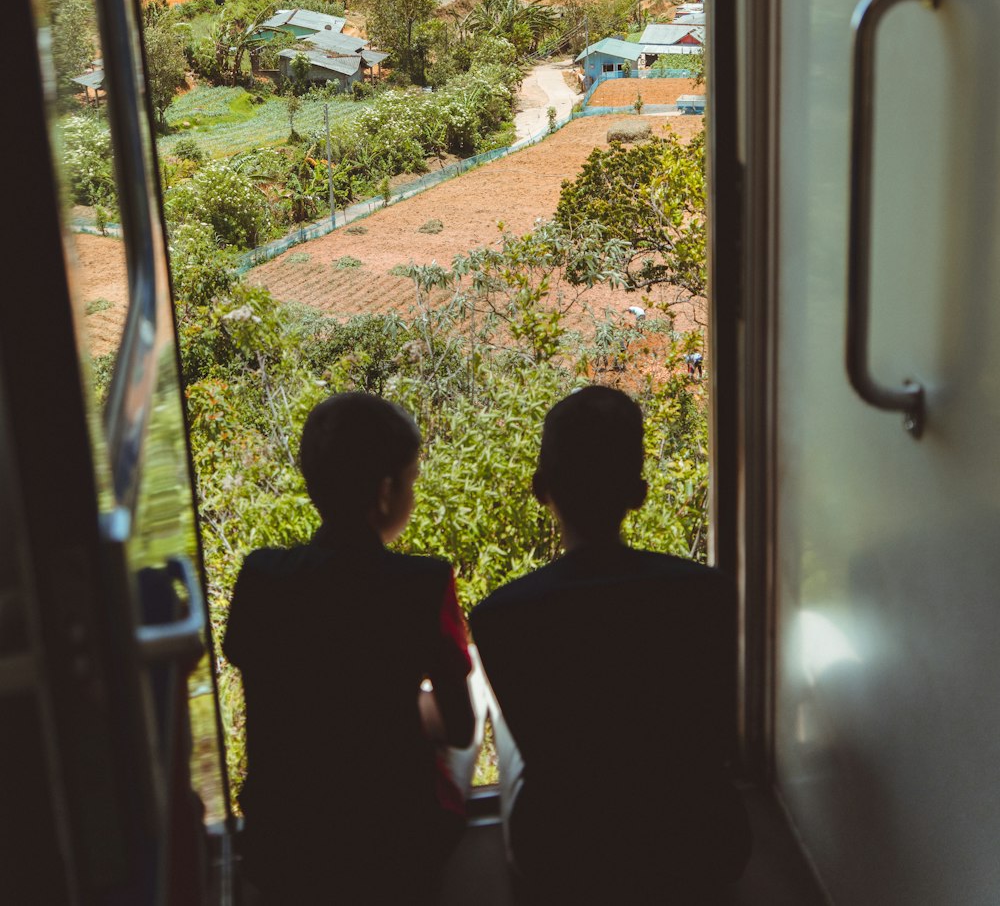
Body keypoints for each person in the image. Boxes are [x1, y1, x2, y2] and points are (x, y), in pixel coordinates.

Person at [471, 386, 751, 906]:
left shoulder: (501, 615)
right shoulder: (707, 593)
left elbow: (545, 747)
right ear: (639, 493)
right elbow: (714, 730)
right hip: (704, 842)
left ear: (540, 488)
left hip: (565, 854)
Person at [224, 392, 475, 906]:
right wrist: (422, 703)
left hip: (285, 848)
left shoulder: (261, 577)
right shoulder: (423, 584)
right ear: (385, 493)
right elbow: (462, 727)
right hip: (395, 846)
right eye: (411, 481)